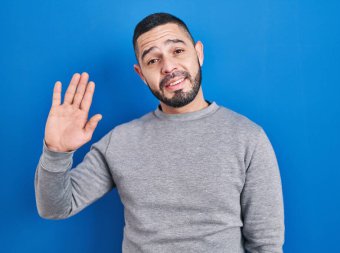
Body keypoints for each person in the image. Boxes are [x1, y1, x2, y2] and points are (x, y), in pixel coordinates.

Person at [34, 12, 285, 253]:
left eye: (177, 51)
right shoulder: (120, 142)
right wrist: (56, 152)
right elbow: (56, 207)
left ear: (198, 53)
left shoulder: (248, 137)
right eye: (153, 60)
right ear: (141, 74)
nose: (168, 66)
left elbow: (266, 246)